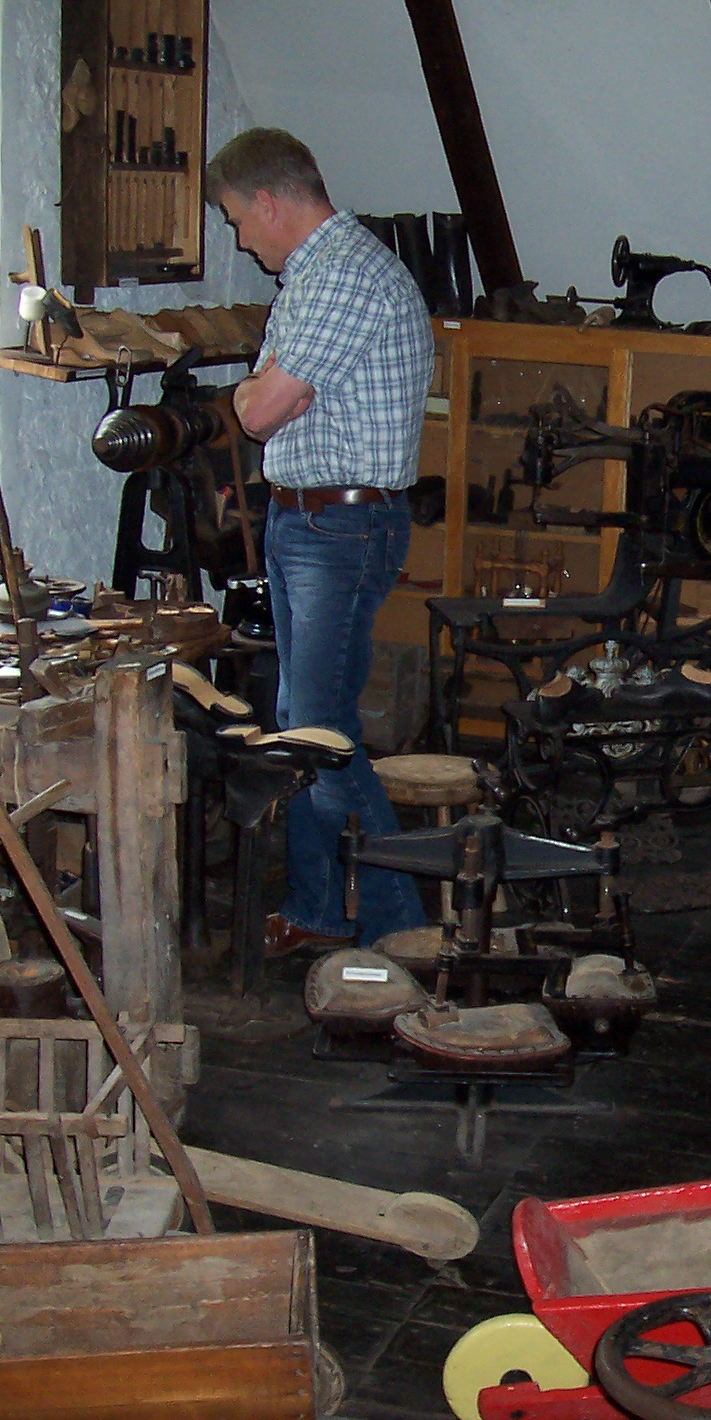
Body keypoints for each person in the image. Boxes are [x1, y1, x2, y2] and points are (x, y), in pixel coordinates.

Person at [206, 128, 431, 957]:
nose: (240, 238)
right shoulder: (316, 273)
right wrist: (263, 391)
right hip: (312, 520)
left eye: (237, 219)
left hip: (337, 527)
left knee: (323, 736)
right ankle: (318, 908)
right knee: (302, 724)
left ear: (269, 201)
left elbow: (261, 410)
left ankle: (403, 930)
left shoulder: (341, 274)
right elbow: (270, 399)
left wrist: (255, 392)